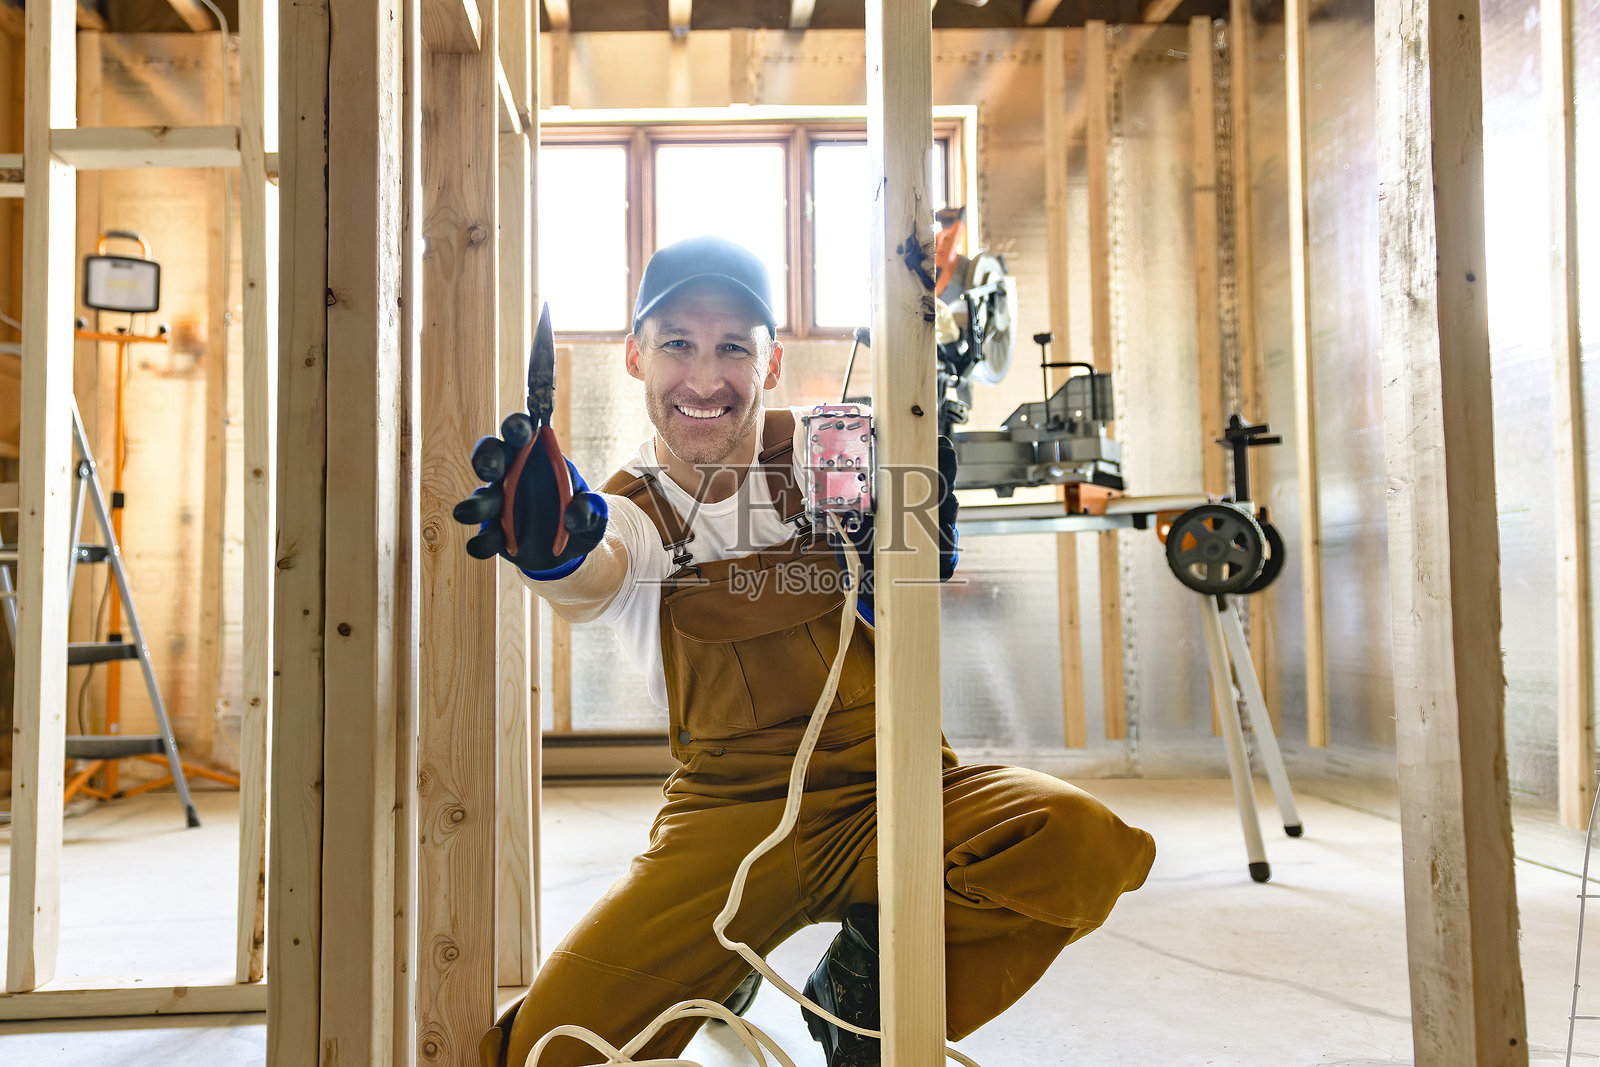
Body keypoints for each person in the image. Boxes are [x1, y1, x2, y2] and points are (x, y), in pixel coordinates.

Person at [457, 236, 1156, 1067]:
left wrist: (914, 540)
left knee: (1074, 837)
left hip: (896, 780)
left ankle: (855, 998)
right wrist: (551, 548)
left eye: (733, 349)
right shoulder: (633, 509)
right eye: (677, 343)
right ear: (636, 357)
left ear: (773, 361)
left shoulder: (841, 458)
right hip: (729, 816)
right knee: (546, 1053)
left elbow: (910, 594)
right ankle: (722, 969)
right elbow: (598, 571)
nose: (706, 379)